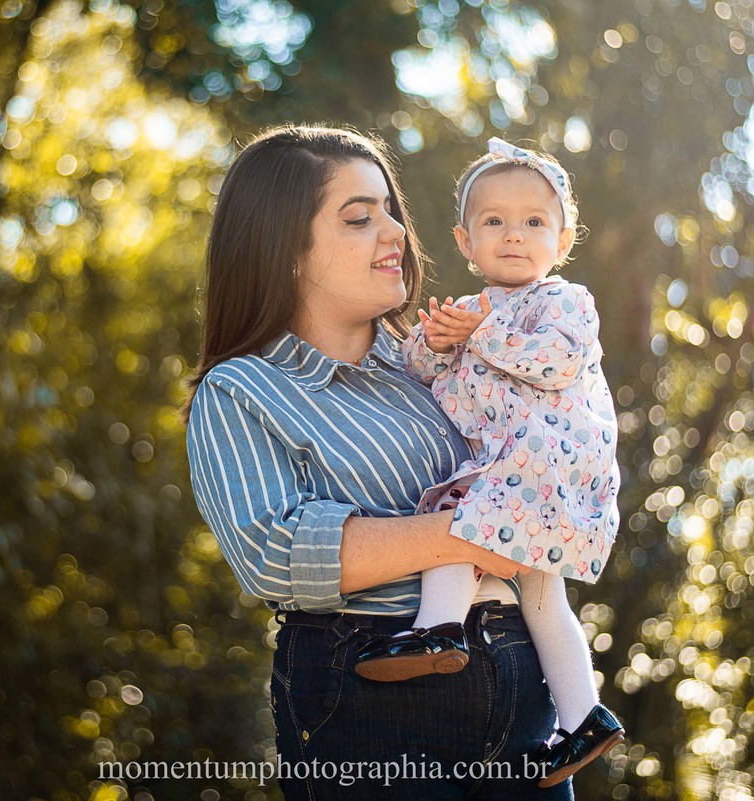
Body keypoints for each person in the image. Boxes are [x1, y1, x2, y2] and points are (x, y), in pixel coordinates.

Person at [185, 125, 574, 799]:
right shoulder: (242, 390)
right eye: (361, 217)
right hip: (375, 697)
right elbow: (275, 551)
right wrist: (480, 532)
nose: (395, 230)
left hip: (521, 686)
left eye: (390, 210)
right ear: (283, 250)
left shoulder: (438, 363)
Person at [353, 138, 624, 787]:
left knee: (457, 513)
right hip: (519, 474)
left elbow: (554, 361)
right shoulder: (471, 313)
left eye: (534, 221)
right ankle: (584, 716)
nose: (513, 235)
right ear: (465, 240)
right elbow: (423, 377)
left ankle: (438, 627)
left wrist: (480, 332)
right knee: (539, 592)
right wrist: (433, 339)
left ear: (562, 241)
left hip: (548, 467)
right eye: (494, 221)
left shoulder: (564, 301)